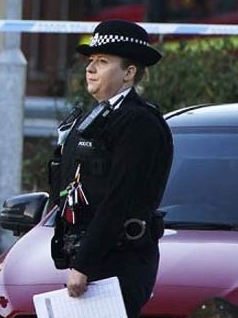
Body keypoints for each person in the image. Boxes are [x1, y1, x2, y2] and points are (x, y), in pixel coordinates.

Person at [49, 20, 173, 317]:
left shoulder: (139, 123)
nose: (90, 68)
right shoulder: (94, 117)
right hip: (93, 257)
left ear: (129, 73)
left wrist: (84, 265)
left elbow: (119, 198)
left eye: (103, 61)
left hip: (119, 260)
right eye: (91, 60)